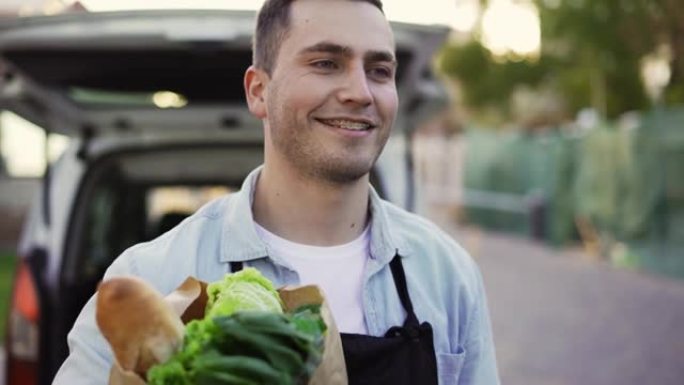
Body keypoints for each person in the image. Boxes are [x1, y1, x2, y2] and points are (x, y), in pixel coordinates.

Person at [53, 0, 499, 384]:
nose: (361, 92)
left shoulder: (446, 275)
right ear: (258, 91)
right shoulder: (152, 278)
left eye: (379, 70)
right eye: (326, 63)